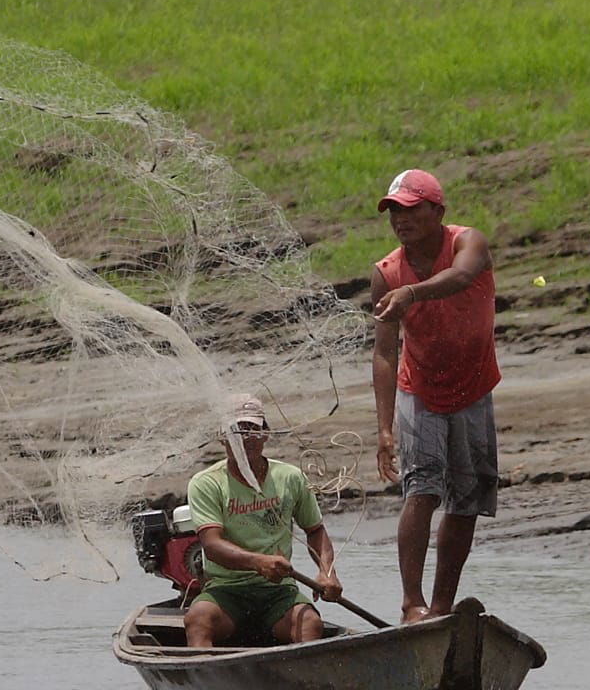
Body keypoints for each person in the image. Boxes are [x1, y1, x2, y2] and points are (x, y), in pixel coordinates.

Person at [368, 168, 501, 624]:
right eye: (394, 212)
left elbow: (463, 278)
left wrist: (413, 293)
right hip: (418, 390)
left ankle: (442, 608)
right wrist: (384, 427)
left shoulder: (468, 243)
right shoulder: (387, 274)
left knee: (466, 501)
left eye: (411, 209)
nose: (401, 220)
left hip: (473, 388)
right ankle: (412, 604)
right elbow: (385, 352)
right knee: (421, 489)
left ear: (437, 211)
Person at [183, 397, 343, 648]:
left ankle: (304, 682)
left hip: (278, 591)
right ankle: (208, 679)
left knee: (310, 623)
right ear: (222, 436)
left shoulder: (289, 477)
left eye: (253, 430)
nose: (246, 439)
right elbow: (212, 546)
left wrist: (327, 572)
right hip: (226, 589)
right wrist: (258, 562)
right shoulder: (206, 483)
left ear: (265, 434)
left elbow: (315, 530)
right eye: (237, 431)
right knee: (198, 619)